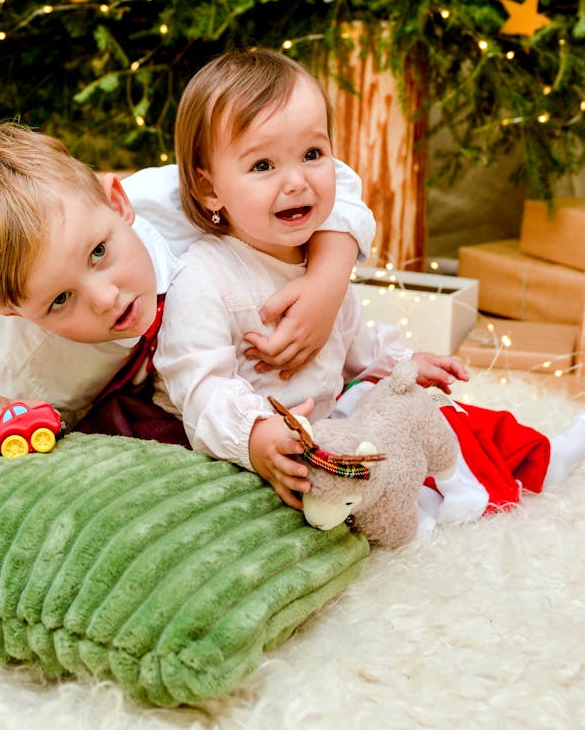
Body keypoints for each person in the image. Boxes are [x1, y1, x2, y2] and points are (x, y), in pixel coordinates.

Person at [152, 47, 585, 524]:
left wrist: (403, 363)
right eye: (263, 166)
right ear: (208, 187)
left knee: (440, 417)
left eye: (312, 154)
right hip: (284, 451)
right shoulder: (205, 276)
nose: (297, 181)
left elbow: (355, 343)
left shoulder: (317, 260)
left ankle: (537, 458)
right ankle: (438, 502)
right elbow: (200, 388)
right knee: (381, 465)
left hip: (337, 421)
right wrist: (256, 437)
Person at [0, 117, 375, 439]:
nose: (105, 297)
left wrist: (326, 286)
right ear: (18, 311)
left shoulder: (172, 200)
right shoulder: (22, 356)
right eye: (60, 299)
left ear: (117, 203)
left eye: (99, 252)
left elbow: (331, 178)